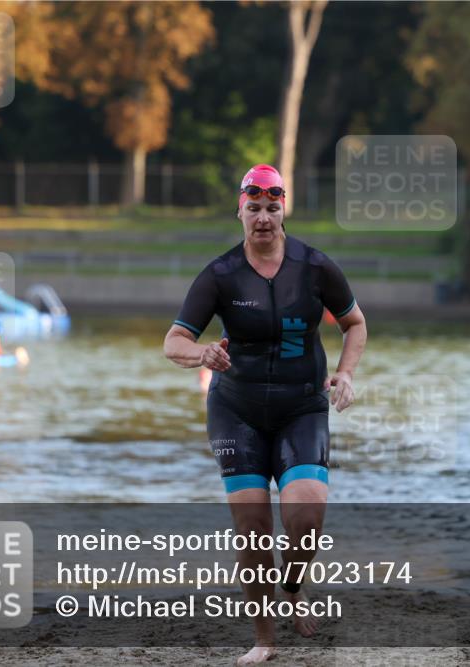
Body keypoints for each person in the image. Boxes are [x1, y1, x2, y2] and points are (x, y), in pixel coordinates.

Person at [163, 164, 367, 665]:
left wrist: (345, 373)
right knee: (252, 527)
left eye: (271, 208)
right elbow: (174, 342)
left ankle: (293, 586)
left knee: (306, 515)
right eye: (253, 208)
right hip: (237, 410)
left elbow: (355, 324)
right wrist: (202, 354)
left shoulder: (316, 268)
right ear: (240, 211)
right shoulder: (220, 274)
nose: (262, 218)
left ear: (283, 211)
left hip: (302, 406)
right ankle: (265, 639)